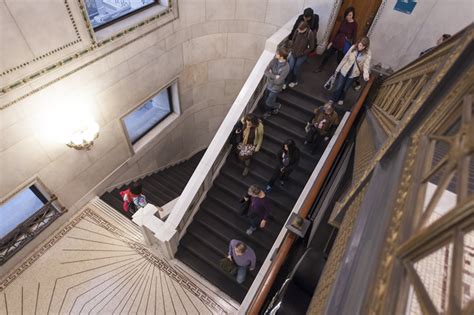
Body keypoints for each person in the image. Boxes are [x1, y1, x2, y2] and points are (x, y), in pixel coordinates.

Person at [330, 37, 371, 106]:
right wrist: (337, 69)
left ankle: (341, 98)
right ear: (358, 43)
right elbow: (345, 58)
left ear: (366, 47)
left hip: (353, 73)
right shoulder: (353, 48)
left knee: (345, 87)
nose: (360, 47)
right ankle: (333, 99)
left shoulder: (367, 54)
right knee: (339, 86)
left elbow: (366, 66)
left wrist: (366, 76)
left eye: (363, 46)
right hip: (345, 69)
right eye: (360, 45)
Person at [315, 7, 358, 72]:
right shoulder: (344, 21)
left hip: (344, 44)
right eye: (347, 15)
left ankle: (339, 72)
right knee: (327, 55)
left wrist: (353, 47)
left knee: (339, 59)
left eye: (350, 15)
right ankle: (320, 67)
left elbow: (354, 36)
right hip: (337, 41)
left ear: (353, 15)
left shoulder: (354, 24)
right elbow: (337, 31)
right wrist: (331, 42)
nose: (348, 16)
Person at [285, 22, 315, 89]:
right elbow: (293, 39)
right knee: (290, 67)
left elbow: (311, 47)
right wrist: (292, 49)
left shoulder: (310, 34)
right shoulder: (297, 30)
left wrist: (303, 52)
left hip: (302, 55)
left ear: (305, 29)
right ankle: (285, 82)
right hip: (294, 52)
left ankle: (295, 81)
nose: (299, 31)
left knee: (296, 67)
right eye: (299, 30)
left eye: (301, 30)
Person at [263, 48, 290, 119]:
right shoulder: (274, 60)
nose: (275, 54)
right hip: (269, 85)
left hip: (275, 88)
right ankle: (276, 105)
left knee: (268, 102)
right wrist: (275, 76)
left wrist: (270, 76)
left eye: (277, 54)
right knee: (265, 99)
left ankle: (268, 112)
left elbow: (279, 82)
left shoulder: (286, 67)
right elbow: (265, 71)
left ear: (281, 56)